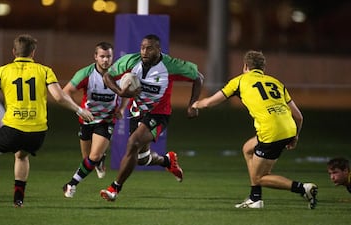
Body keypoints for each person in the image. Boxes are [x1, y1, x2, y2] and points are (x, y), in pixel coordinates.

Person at [0, 34, 93, 207]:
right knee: (21, 156)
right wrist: (79, 109)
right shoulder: (44, 70)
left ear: (14, 52)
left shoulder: (3, 71)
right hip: (37, 133)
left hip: (12, 129)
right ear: (33, 53)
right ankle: (18, 199)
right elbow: (59, 97)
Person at [192, 50, 318, 209]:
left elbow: (209, 102)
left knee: (260, 178)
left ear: (245, 66)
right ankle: (255, 198)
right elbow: (299, 116)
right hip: (289, 128)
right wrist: (295, 136)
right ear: (263, 68)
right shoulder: (275, 82)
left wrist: (195, 104)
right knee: (247, 148)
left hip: (271, 132)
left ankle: (303, 188)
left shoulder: (239, 81)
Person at [99, 34, 204, 201]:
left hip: (158, 114)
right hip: (136, 112)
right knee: (141, 158)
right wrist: (121, 92)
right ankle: (167, 161)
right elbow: (107, 76)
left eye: (149, 48)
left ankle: (114, 188)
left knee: (133, 142)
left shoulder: (171, 65)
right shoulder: (130, 61)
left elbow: (198, 77)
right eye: (142, 47)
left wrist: (192, 104)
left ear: (158, 50)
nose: (144, 51)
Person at [62, 42, 127, 198]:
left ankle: (70, 184)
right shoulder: (85, 74)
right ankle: (100, 160)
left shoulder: (120, 74)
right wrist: (79, 110)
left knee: (94, 156)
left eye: (108, 56)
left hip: (106, 120)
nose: (105, 60)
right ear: (95, 57)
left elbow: (127, 93)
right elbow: (65, 92)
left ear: (113, 57)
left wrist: (122, 109)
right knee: (87, 160)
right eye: (102, 56)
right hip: (87, 119)